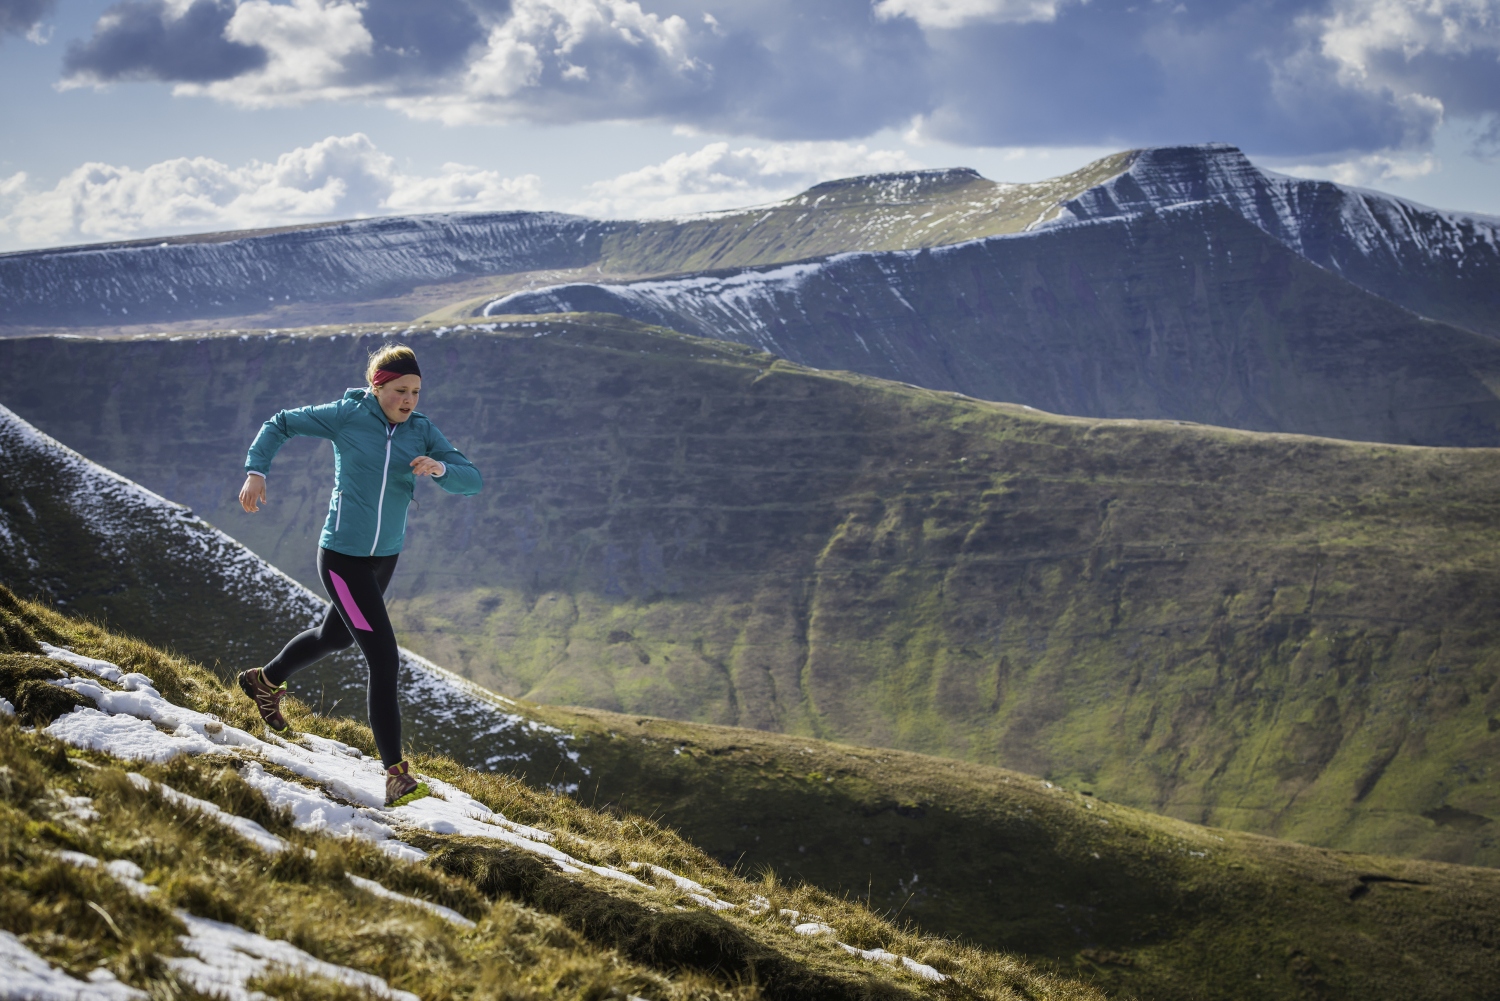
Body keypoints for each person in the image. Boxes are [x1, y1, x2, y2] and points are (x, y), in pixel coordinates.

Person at [236, 344, 481, 807]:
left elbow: (473, 480)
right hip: (343, 559)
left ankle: (263, 682)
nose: (408, 401)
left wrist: (441, 467)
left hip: (383, 558)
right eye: (400, 391)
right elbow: (282, 423)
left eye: (416, 392)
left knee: (335, 636)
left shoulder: (422, 432)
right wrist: (256, 471)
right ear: (378, 386)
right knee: (384, 658)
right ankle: (395, 774)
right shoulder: (347, 415)